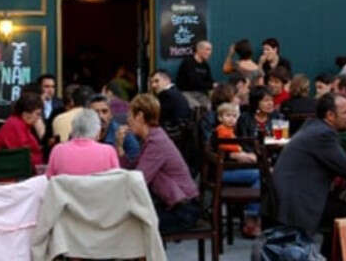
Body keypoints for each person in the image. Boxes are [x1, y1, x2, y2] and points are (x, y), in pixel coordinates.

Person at [45, 108, 121, 261]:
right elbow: (115, 189)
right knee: (104, 222)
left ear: (73, 130)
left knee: (81, 227)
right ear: (97, 133)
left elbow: (49, 184)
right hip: (103, 227)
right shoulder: (108, 152)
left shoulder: (58, 151)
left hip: (68, 230)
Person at [273, 92, 346, 238]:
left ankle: (329, 258)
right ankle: (335, 259)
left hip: (287, 198)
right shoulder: (324, 135)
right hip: (300, 202)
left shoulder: (314, 126)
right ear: (330, 116)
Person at [115, 94, 200, 234]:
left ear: (140, 116)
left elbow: (139, 180)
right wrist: (119, 146)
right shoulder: (152, 138)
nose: (128, 121)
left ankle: (147, 257)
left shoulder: (157, 142)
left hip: (184, 211)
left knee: (131, 225)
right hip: (174, 205)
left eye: (130, 116)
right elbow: (132, 168)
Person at [214, 102, 262, 236]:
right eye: (228, 115)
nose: (231, 119)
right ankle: (252, 217)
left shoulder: (230, 132)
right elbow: (229, 148)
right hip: (223, 173)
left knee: (259, 177)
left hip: (228, 170)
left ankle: (252, 217)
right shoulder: (222, 132)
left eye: (234, 116)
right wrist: (243, 154)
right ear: (220, 117)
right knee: (260, 175)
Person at [0, 91, 45, 167]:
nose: (38, 118)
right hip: (15, 174)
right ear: (25, 114)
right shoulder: (15, 125)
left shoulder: (21, 124)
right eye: (37, 114)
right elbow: (23, 157)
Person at [89, 93, 140, 162]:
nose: (100, 116)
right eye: (95, 112)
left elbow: (135, 161)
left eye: (104, 111)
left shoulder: (124, 135)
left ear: (111, 115)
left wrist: (120, 147)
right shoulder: (81, 133)